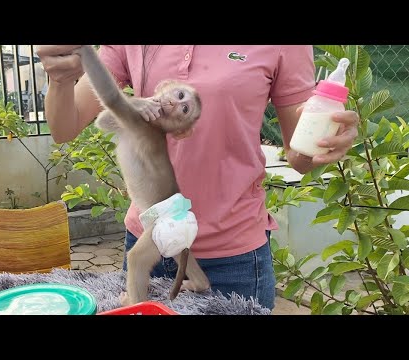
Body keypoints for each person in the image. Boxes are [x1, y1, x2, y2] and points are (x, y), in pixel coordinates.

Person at [37, 45, 359, 311]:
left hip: (235, 254)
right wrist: (61, 79)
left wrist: (324, 138)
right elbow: (68, 127)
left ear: (186, 128)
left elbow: (300, 157)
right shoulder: (141, 107)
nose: (173, 105)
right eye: (175, 96)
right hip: (147, 230)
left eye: (185, 107)